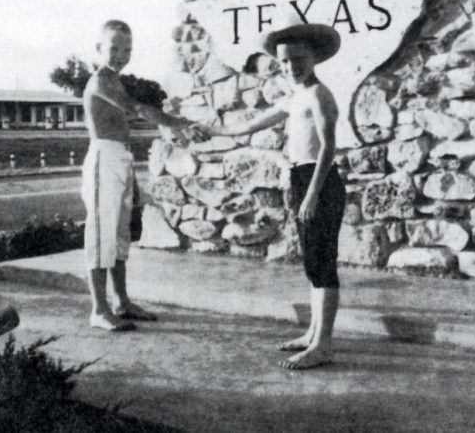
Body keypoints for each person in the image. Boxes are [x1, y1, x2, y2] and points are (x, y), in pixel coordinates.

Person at [196, 22, 346, 369]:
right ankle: (312, 334)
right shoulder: (294, 98)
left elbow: (328, 149)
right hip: (300, 178)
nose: (292, 66)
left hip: (318, 181)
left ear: (313, 58)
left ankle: (323, 345)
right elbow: (246, 126)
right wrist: (205, 130)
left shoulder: (319, 95)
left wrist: (311, 196)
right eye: (285, 61)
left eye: (299, 59)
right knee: (312, 263)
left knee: (323, 264)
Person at [81, 19, 206, 331]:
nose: (121, 55)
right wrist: (178, 123)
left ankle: (121, 302)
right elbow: (137, 109)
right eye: (113, 48)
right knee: (101, 236)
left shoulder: (116, 79)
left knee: (121, 234)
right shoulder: (101, 81)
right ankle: (99, 309)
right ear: (98, 49)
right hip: (103, 158)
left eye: (127, 49)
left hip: (120, 157)